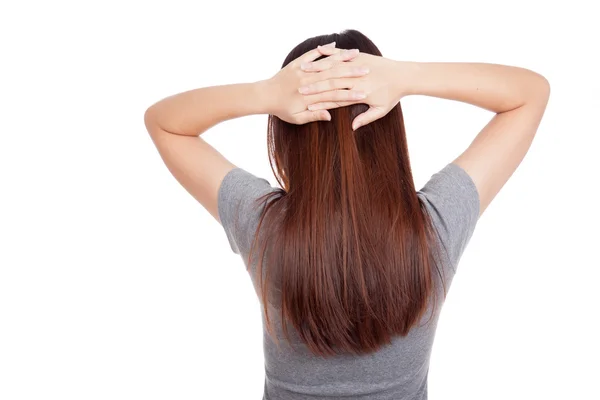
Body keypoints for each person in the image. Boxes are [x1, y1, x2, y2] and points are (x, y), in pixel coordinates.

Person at [144, 29, 550, 400]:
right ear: (388, 126)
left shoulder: (262, 225)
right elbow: (529, 93)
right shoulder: (435, 224)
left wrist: (264, 94)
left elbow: (164, 123)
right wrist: (407, 77)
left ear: (287, 134)